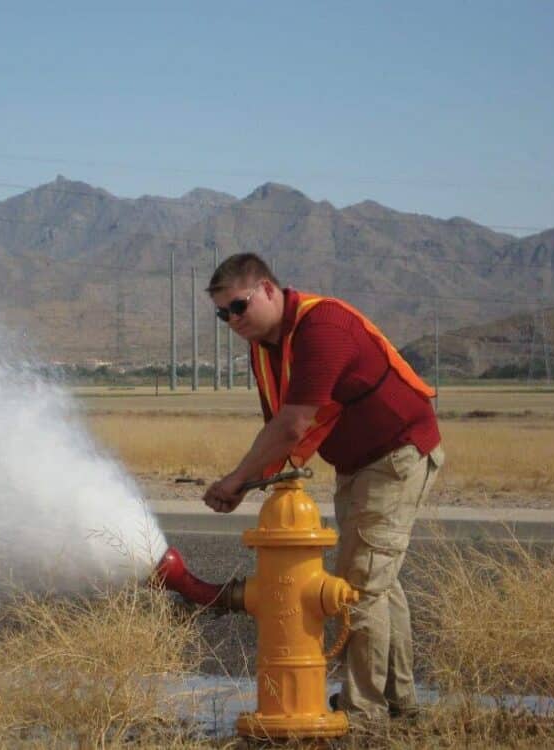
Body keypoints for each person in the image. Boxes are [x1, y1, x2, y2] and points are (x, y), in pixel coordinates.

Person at [201, 252, 444, 728]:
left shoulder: (321, 328)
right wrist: (252, 483)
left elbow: (293, 425)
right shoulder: (265, 346)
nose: (232, 320)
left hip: (397, 455)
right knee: (380, 582)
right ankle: (401, 704)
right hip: (357, 465)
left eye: (239, 306)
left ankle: (365, 712)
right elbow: (278, 423)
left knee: (360, 588)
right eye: (222, 313)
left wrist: (236, 482)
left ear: (270, 290)